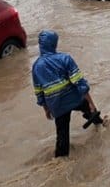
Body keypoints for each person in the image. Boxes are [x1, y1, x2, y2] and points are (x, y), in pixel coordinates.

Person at [32, 30, 103, 158]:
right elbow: (80, 83)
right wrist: (91, 103)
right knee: (90, 111)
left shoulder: (36, 66)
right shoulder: (65, 58)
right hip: (74, 98)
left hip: (57, 106)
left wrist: (46, 109)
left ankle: (60, 161)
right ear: (54, 44)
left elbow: (39, 91)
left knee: (62, 134)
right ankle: (101, 126)